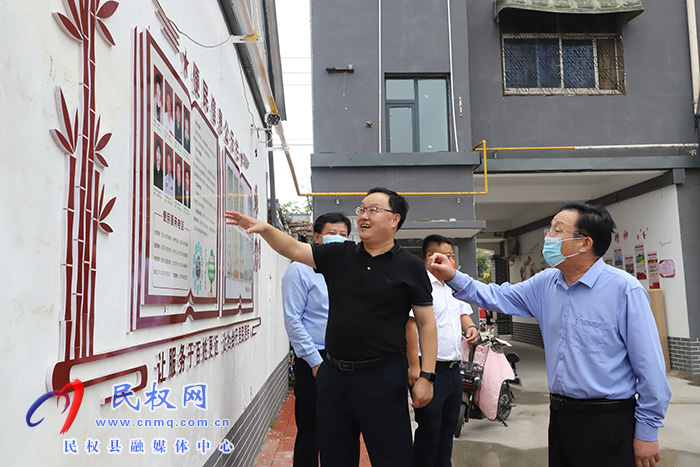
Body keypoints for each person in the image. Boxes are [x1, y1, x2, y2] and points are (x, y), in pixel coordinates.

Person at [427, 202, 671, 467]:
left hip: (608, 421)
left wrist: (647, 431)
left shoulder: (624, 290)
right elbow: (495, 295)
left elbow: (650, 368)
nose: (548, 237)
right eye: (549, 229)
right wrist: (453, 276)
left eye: (557, 230)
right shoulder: (545, 284)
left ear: (584, 243)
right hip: (561, 416)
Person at [225, 187, 438, 467]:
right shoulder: (340, 255)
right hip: (335, 377)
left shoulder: (410, 266)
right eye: (362, 209)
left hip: (383, 377)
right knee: (335, 458)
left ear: (395, 219)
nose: (364, 215)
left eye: (373, 210)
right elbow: (293, 248)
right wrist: (265, 229)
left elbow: (426, 323)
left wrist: (426, 376)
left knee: (393, 457)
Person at [282, 212, 351, 467]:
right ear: (317, 237)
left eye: (344, 235)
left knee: (342, 430)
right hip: (315, 359)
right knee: (311, 430)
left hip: (345, 358)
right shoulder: (299, 270)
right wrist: (314, 362)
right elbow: (293, 320)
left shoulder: (349, 269)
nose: (339, 240)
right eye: (333, 234)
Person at [406, 234, 479, 467]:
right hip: (430, 370)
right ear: (430, 257)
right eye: (447, 255)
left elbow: (463, 314)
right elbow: (410, 327)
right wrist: (415, 367)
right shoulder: (421, 285)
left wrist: (471, 327)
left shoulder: (453, 286)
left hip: (453, 370)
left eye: (452, 256)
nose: (451, 260)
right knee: (429, 430)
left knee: (449, 428)